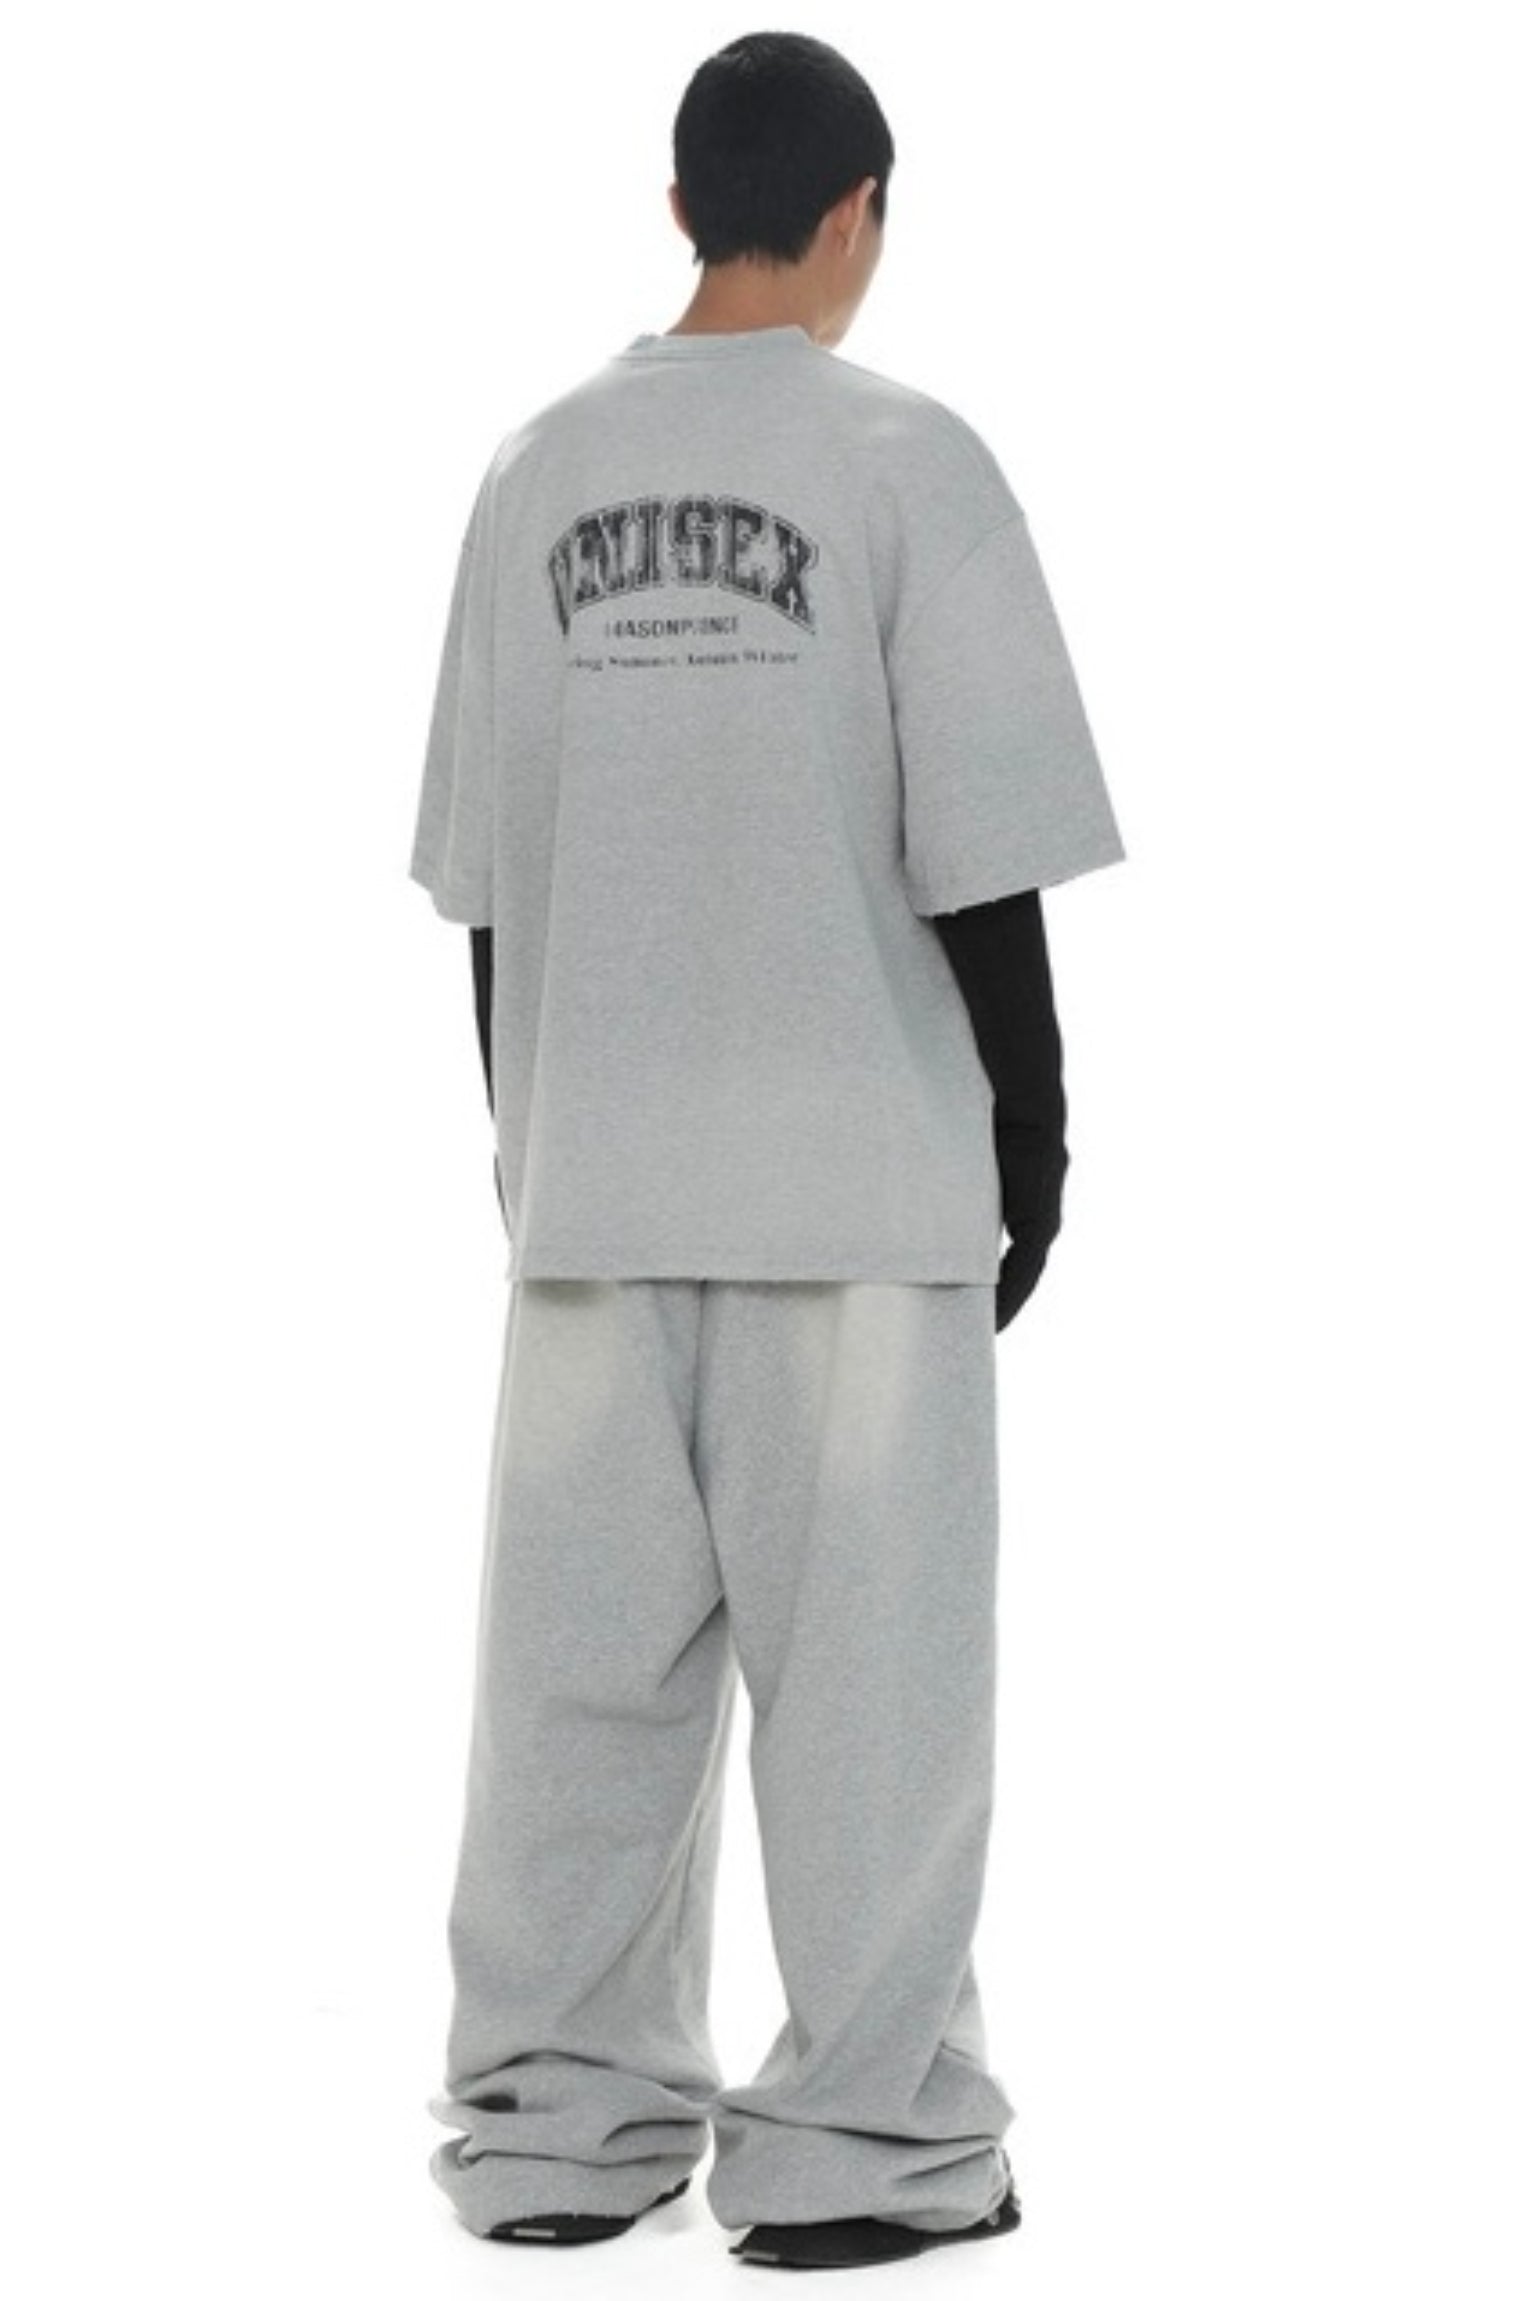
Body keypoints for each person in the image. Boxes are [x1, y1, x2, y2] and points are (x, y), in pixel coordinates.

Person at [408, 28, 1127, 2274]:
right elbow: (983, 862)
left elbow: (490, 879)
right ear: (854, 215)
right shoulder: (911, 461)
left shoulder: (533, 473)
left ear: (677, 209)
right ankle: (861, 2152)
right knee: (873, 1716)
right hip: (858, 1199)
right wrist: (1032, 1144)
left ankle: (557, 2126)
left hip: (596, 1193)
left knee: (573, 1707)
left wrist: (532, 1144)